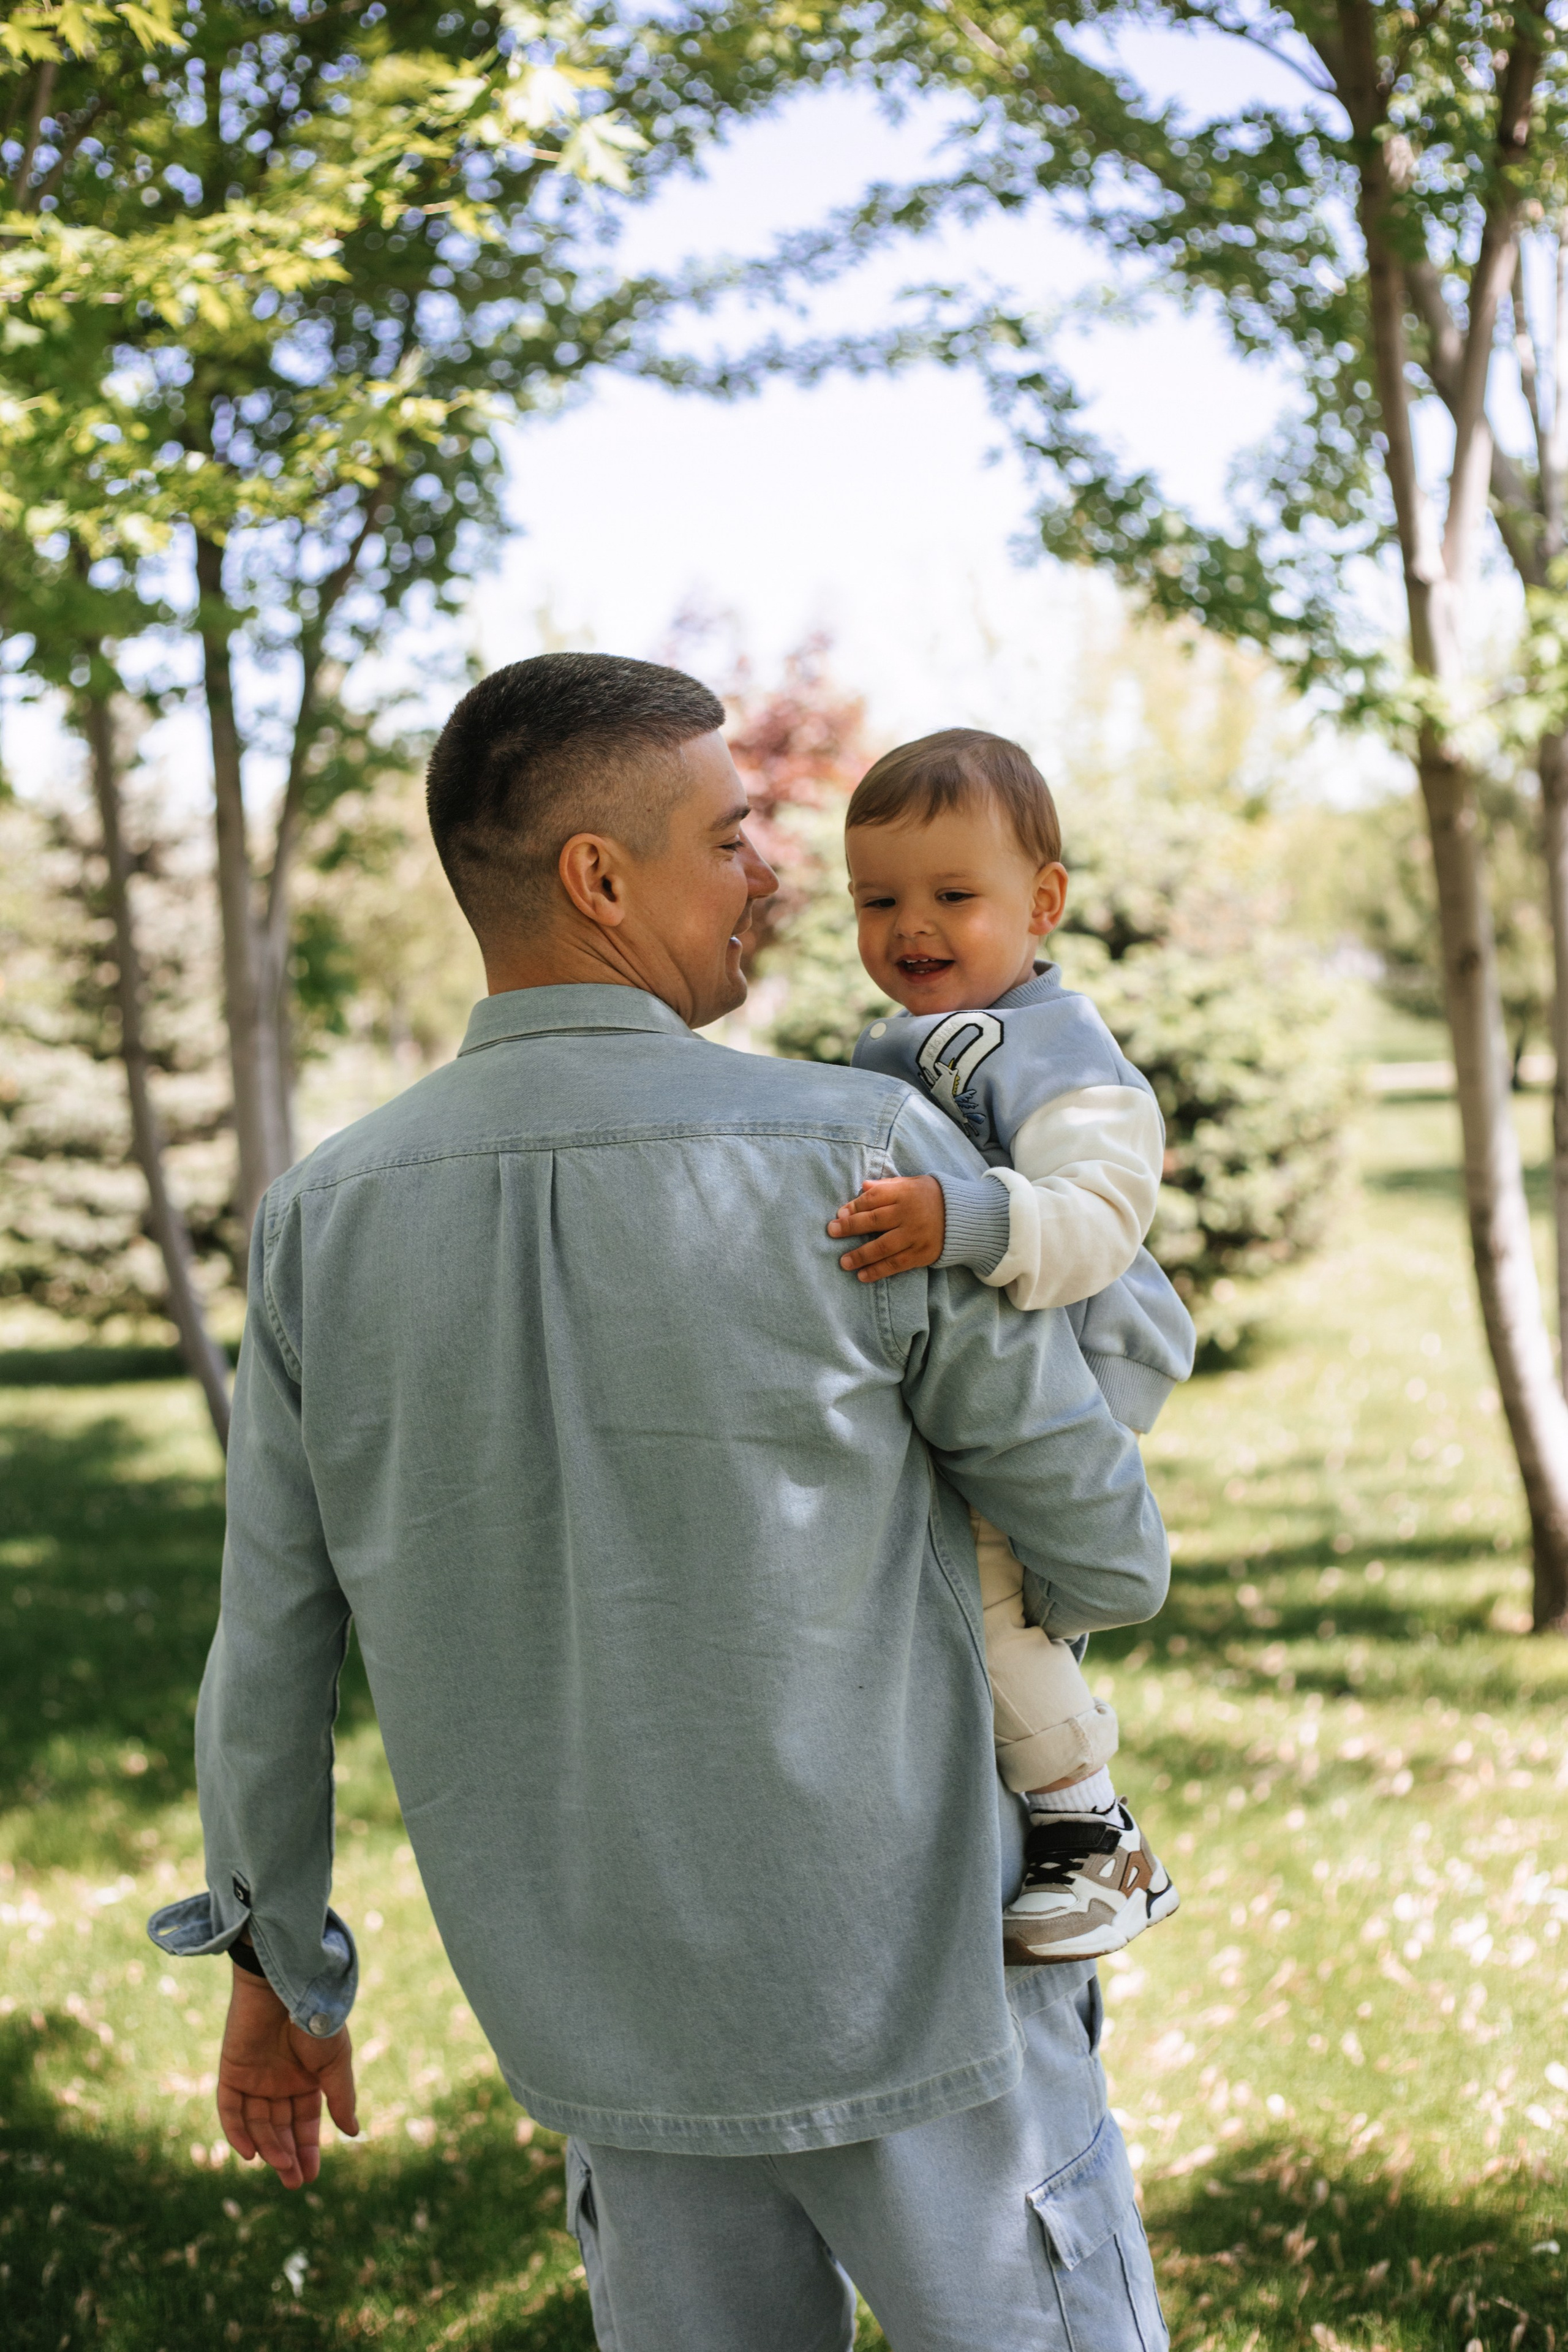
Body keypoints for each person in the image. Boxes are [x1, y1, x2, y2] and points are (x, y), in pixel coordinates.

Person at [148, 653, 1173, 2352]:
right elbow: (1109, 1554)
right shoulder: (868, 1157)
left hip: (611, 2026)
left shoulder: (319, 1221)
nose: (770, 875)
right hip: (926, 1988)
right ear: (599, 879)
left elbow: (270, 1641)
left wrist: (277, 1970)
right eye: (732, 836)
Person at [826, 729, 1193, 1967]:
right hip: (974, 1363)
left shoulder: (1062, 1055)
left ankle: (1094, 1833)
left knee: (990, 1607)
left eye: (950, 896)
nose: (908, 926)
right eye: (877, 899)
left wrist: (962, 1219)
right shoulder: (896, 1041)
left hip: (1074, 1351)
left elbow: (1096, 1222)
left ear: (1041, 906)